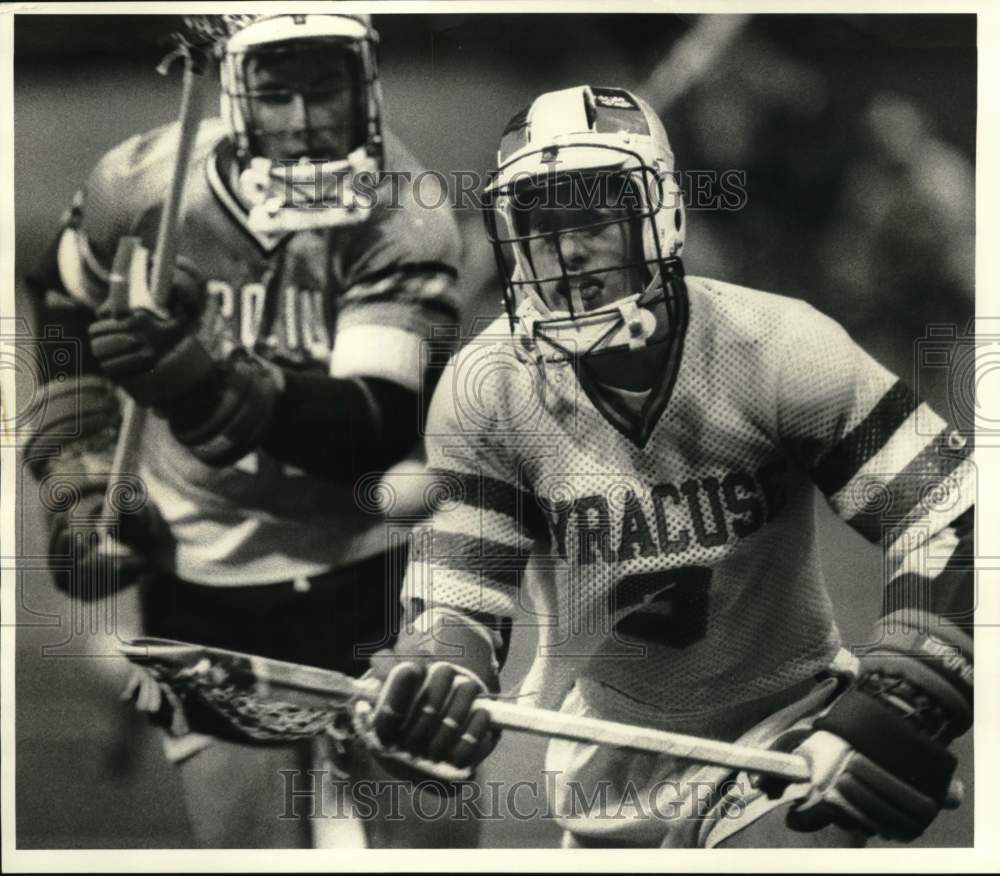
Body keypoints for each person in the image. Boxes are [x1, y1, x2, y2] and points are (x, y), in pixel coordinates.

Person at [360, 85, 975, 848]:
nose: (569, 249)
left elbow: (955, 515)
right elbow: (459, 603)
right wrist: (438, 679)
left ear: (663, 216)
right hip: (605, 775)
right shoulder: (489, 390)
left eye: (595, 214)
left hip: (782, 737)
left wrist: (901, 699)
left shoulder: (780, 347)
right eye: (542, 223)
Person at [23, 13, 466, 848]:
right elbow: (63, 306)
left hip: (372, 573)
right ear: (233, 89)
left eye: (325, 87)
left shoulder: (405, 210)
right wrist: (75, 473)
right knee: (249, 851)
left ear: (364, 82)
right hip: (203, 584)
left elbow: (365, 430)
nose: (303, 123)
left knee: (432, 846)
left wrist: (202, 380)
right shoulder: (141, 181)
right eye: (276, 92)